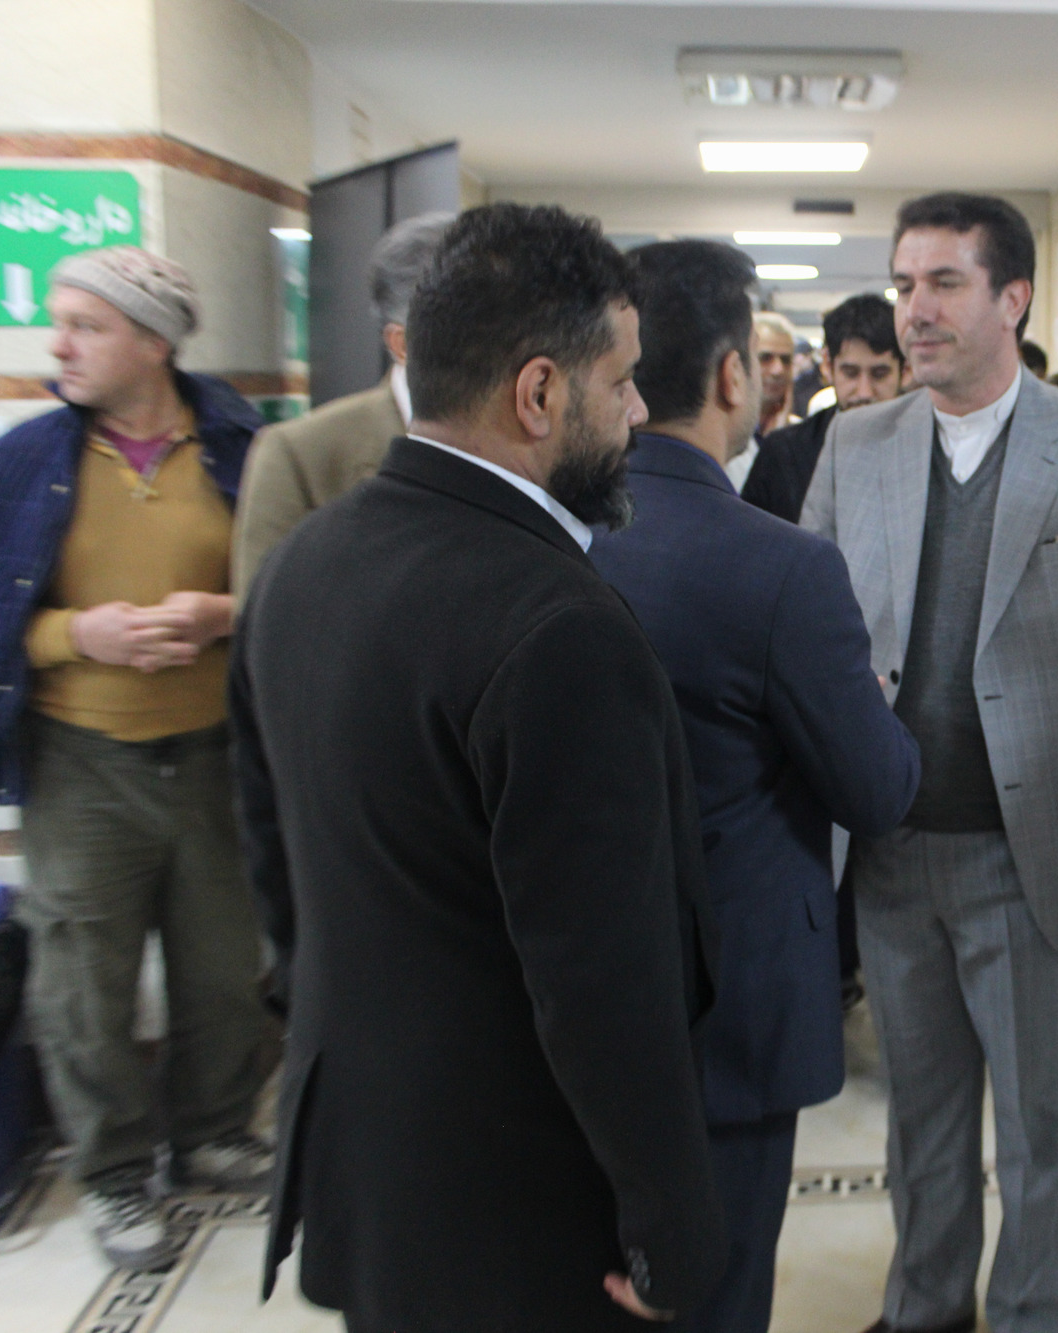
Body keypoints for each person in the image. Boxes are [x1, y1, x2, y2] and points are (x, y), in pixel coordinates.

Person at [229, 203, 725, 1331]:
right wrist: (672, 1222)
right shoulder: (556, 626)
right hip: (519, 1212)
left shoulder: (303, 561)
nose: (638, 412)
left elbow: (274, 865)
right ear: (538, 392)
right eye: (622, 382)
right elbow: (600, 980)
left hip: (371, 1172)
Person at [802, 191, 1058, 1333]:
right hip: (890, 849)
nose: (913, 310)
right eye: (904, 284)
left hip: (1035, 854)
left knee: (1042, 1125)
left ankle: (1030, 1312)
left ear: (1012, 297)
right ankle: (923, 1304)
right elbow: (811, 627)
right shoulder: (855, 443)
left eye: (943, 283)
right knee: (919, 1114)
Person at [592, 239, 921, 1333]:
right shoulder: (780, 566)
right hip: (729, 1010)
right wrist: (870, 704)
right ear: (734, 374)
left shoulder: (545, 535)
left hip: (567, 998)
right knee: (715, 1291)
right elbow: (875, 789)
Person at [0, 247, 273, 1270]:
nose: (57, 345)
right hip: (80, 763)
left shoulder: (240, 447)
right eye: (57, 322)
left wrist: (222, 613)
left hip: (216, 753)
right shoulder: (22, 462)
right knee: (82, 982)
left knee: (225, 964)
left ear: (153, 342)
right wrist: (79, 635)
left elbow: (298, 583)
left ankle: (213, 1131)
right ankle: (111, 1171)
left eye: (85, 326)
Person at [232, 211, 453, 601]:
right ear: (403, 343)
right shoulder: (300, 455)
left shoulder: (544, 440)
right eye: (479, 325)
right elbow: (266, 618)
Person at [745, 292, 904, 524]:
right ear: (828, 365)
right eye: (850, 373)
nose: (864, 392)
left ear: (904, 370)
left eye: (879, 374)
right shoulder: (783, 455)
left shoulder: (928, 450)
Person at [751, 310, 800, 447]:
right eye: (765, 358)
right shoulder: (721, 435)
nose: (778, 370)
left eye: (786, 360)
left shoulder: (801, 435)